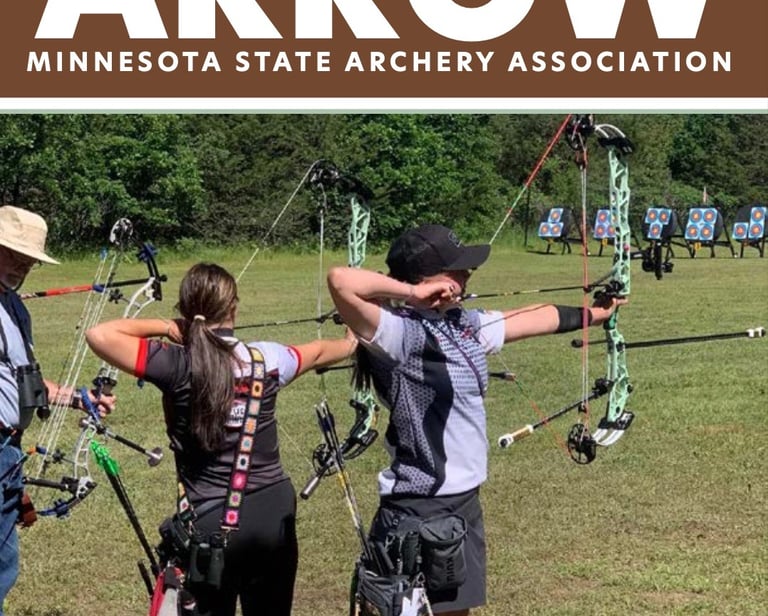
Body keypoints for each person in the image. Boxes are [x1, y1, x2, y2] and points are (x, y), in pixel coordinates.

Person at [327, 223, 627, 616]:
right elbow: (341, 281)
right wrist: (412, 294)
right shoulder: (398, 334)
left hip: (464, 504)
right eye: (457, 269)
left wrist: (597, 314)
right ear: (427, 278)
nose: (468, 274)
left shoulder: (462, 324)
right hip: (420, 508)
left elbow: (536, 317)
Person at [85, 262, 358, 616]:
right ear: (233, 307)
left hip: (210, 522)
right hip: (271, 510)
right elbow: (318, 351)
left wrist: (168, 327)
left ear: (186, 312)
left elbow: (100, 335)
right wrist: (350, 343)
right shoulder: (267, 358)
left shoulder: (176, 363)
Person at [0, 205, 115, 615]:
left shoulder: (15, 308)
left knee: (4, 564)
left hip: (8, 452)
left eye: (28, 259)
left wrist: (80, 397)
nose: (22, 266)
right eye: (14, 254)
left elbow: (26, 382)